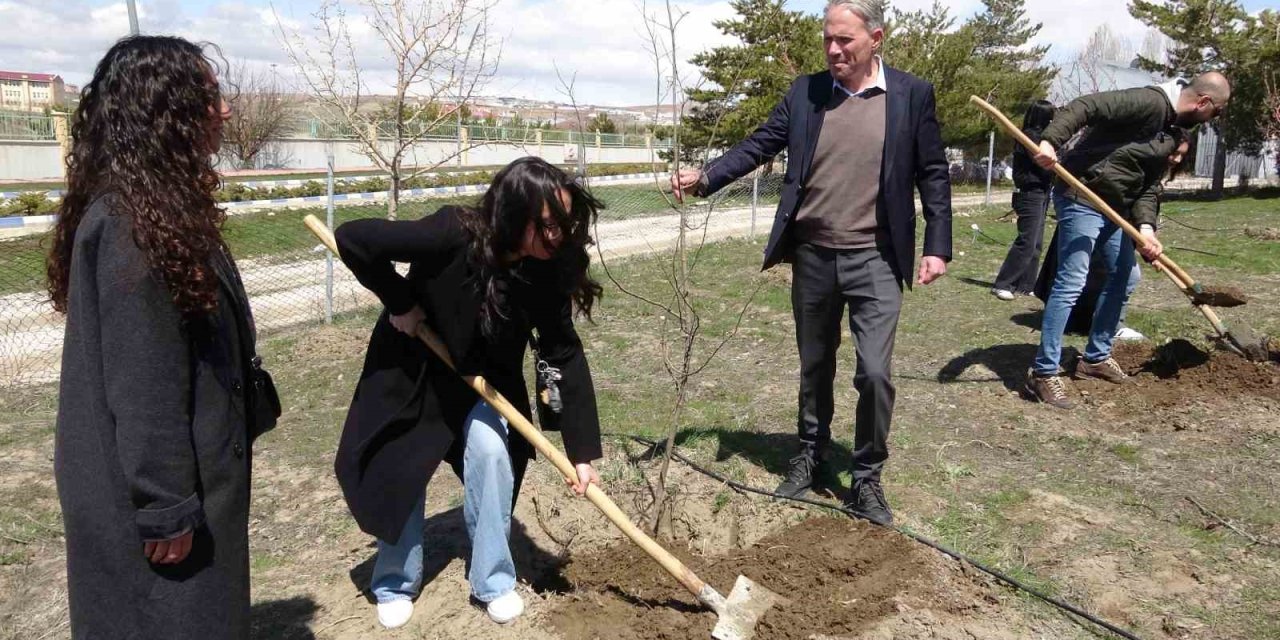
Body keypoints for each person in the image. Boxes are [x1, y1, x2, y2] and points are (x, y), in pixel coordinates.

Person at [669, 0, 952, 525]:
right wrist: (706, 177)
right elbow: (759, 144)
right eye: (827, 39)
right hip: (813, 256)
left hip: (876, 257)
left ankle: (866, 477)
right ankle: (811, 454)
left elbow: (933, 172)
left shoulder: (911, 94)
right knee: (815, 364)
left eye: (845, 39)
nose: (833, 49)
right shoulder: (806, 92)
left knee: (874, 373)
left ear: (875, 39)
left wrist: (938, 244)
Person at [49, 36, 279, 639]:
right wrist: (165, 505)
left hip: (185, 476)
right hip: (153, 497)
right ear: (166, 111)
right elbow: (143, 377)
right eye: (210, 96)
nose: (225, 109)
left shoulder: (155, 207)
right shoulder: (129, 226)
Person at [333, 157, 605, 629]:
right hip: (417, 368)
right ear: (514, 214)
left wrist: (581, 453)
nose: (557, 236)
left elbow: (562, 352)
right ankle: (395, 581)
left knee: (493, 453)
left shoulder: (546, 268)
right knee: (402, 464)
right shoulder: (453, 231)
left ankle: (493, 580)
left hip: (483, 382)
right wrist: (401, 301)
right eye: (546, 225)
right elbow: (354, 237)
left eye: (562, 224)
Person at [1025, 70, 1229, 410]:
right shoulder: (1149, 102)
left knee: (1126, 275)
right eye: (1216, 111)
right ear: (1204, 102)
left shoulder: (1172, 131)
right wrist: (1050, 141)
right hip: (1082, 193)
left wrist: (1146, 228)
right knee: (1073, 279)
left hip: (1115, 207)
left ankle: (1095, 358)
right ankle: (1044, 371)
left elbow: (1147, 186)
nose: (1213, 118)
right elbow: (1086, 105)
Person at [1034, 131, 1193, 339]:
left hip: (1119, 222)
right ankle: (1083, 328)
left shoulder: (1153, 168)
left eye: (1182, 155)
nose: (1177, 159)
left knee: (1125, 274)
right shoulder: (1136, 158)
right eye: (1175, 153)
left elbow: (1143, 205)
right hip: (1094, 215)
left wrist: (1148, 243)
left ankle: (1107, 326)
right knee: (1082, 277)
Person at [991, 100, 1055, 301]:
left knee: (1036, 243)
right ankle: (1003, 284)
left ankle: (1026, 285)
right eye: (1051, 117)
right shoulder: (1029, 137)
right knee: (1027, 241)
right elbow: (1043, 164)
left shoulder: (1045, 138)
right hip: (1029, 193)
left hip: (1042, 192)